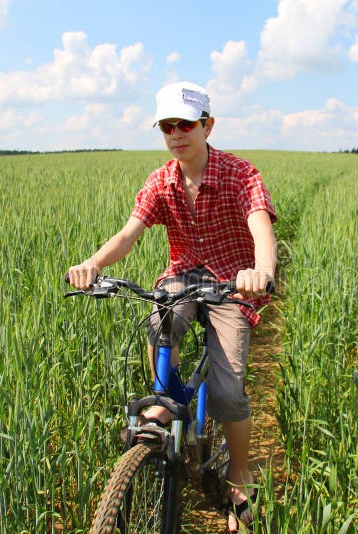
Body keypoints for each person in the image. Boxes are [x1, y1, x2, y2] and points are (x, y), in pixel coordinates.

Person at [67, 81, 277, 532]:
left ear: (208, 125)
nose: (177, 133)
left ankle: (239, 474)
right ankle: (167, 401)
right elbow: (128, 234)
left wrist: (260, 270)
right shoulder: (161, 181)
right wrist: (92, 264)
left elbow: (260, 228)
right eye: (167, 126)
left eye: (185, 124)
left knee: (226, 391)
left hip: (231, 282)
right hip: (182, 275)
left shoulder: (242, 175)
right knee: (159, 319)